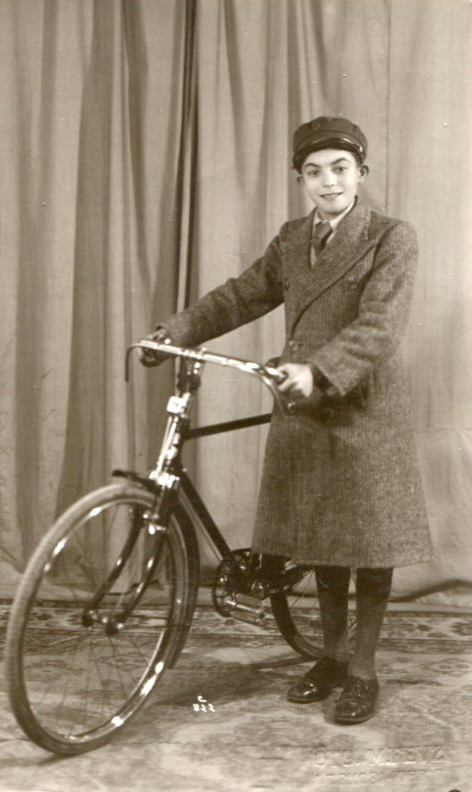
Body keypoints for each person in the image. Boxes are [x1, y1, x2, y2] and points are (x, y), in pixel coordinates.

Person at [141, 116, 432, 724]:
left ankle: (363, 670)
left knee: (368, 546)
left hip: (362, 407)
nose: (329, 182)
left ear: (361, 173)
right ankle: (331, 658)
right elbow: (241, 295)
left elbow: (380, 326)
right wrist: (177, 331)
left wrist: (319, 370)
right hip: (303, 408)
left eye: (340, 169)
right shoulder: (292, 239)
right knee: (323, 541)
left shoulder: (391, 237)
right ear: (300, 179)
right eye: (314, 172)